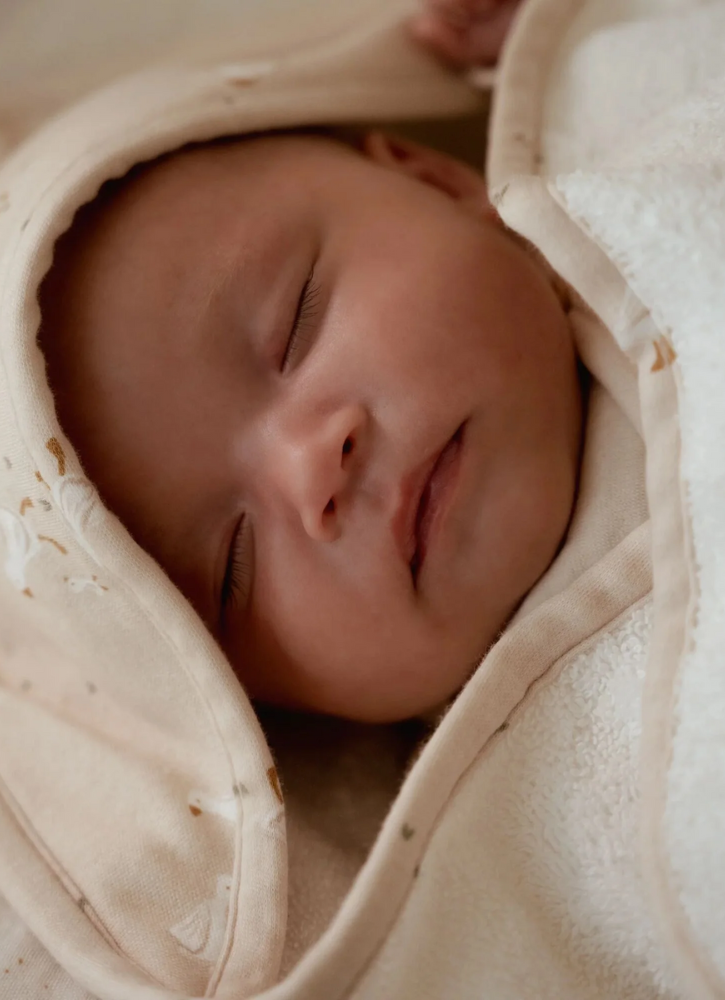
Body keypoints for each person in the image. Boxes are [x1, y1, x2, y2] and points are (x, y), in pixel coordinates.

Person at [37, 0, 561, 723]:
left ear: (435, 182)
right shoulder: (512, 778)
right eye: (235, 570)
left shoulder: (618, 117)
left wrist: (565, 33)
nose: (310, 468)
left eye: (296, 324)